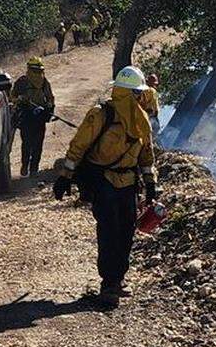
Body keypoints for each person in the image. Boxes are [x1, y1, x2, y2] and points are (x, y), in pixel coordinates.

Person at [52, 64, 157, 309]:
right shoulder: (100, 114)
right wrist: (65, 176)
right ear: (127, 93)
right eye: (136, 93)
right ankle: (109, 283)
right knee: (109, 231)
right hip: (103, 181)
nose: (138, 98)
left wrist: (151, 184)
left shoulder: (141, 121)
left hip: (129, 183)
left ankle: (118, 278)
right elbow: (78, 146)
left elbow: (146, 155)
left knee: (127, 231)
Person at [10, 57, 55, 177]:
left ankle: (34, 168)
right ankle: (25, 165)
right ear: (29, 69)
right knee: (27, 143)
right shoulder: (22, 82)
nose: (37, 74)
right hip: (26, 115)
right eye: (34, 71)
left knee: (38, 144)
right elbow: (12, 97)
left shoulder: (44, 82)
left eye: (39, 71)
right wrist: (20, 99)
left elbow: (50, 98)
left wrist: (48, 108)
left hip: (39, 116)